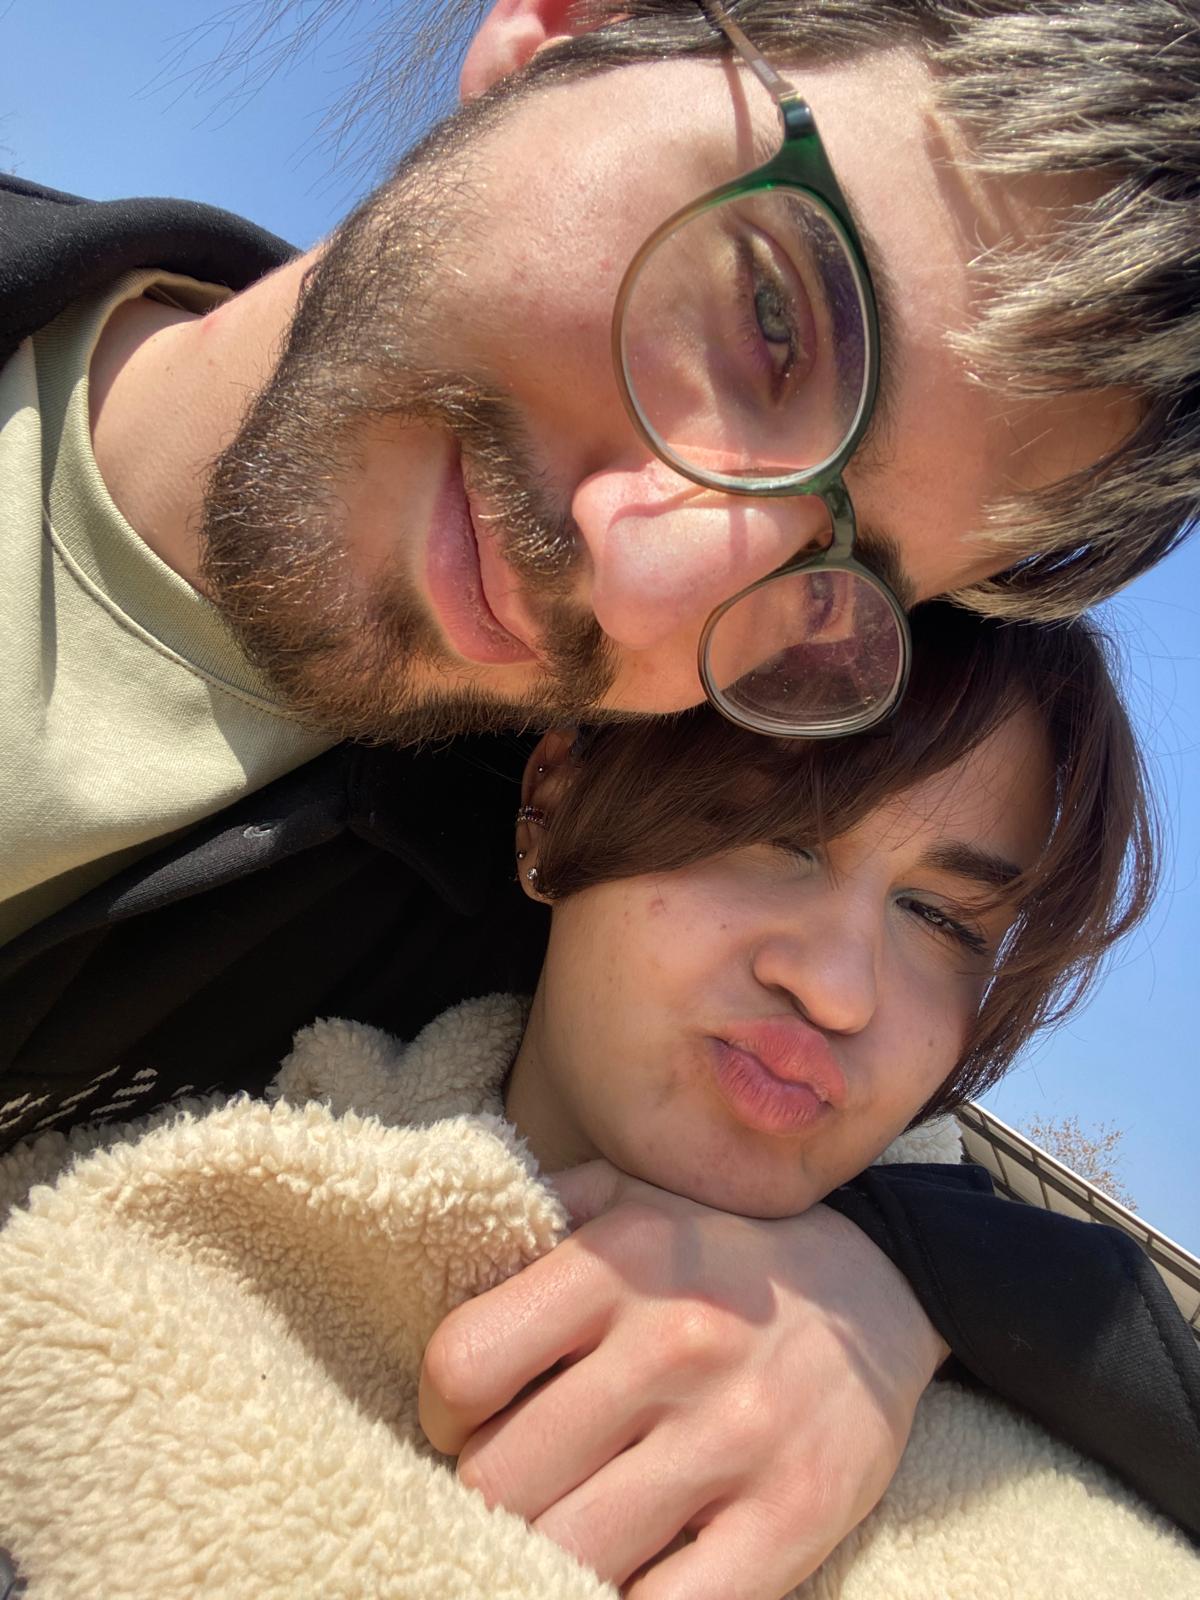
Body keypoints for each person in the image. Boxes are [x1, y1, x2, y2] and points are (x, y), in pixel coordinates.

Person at [0, 0, 1197, 1589]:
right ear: (575, 27)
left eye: (836, 572)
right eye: (775, 319)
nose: (654, 585)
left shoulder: (501, 900)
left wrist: (892, 1281)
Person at [1, 604, 1193, 1600]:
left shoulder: (1034, 1497)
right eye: (777, 831)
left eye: (943, 920)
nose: (838, 987)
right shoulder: (159, 1128)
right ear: (558, 790)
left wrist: (914, 1283)